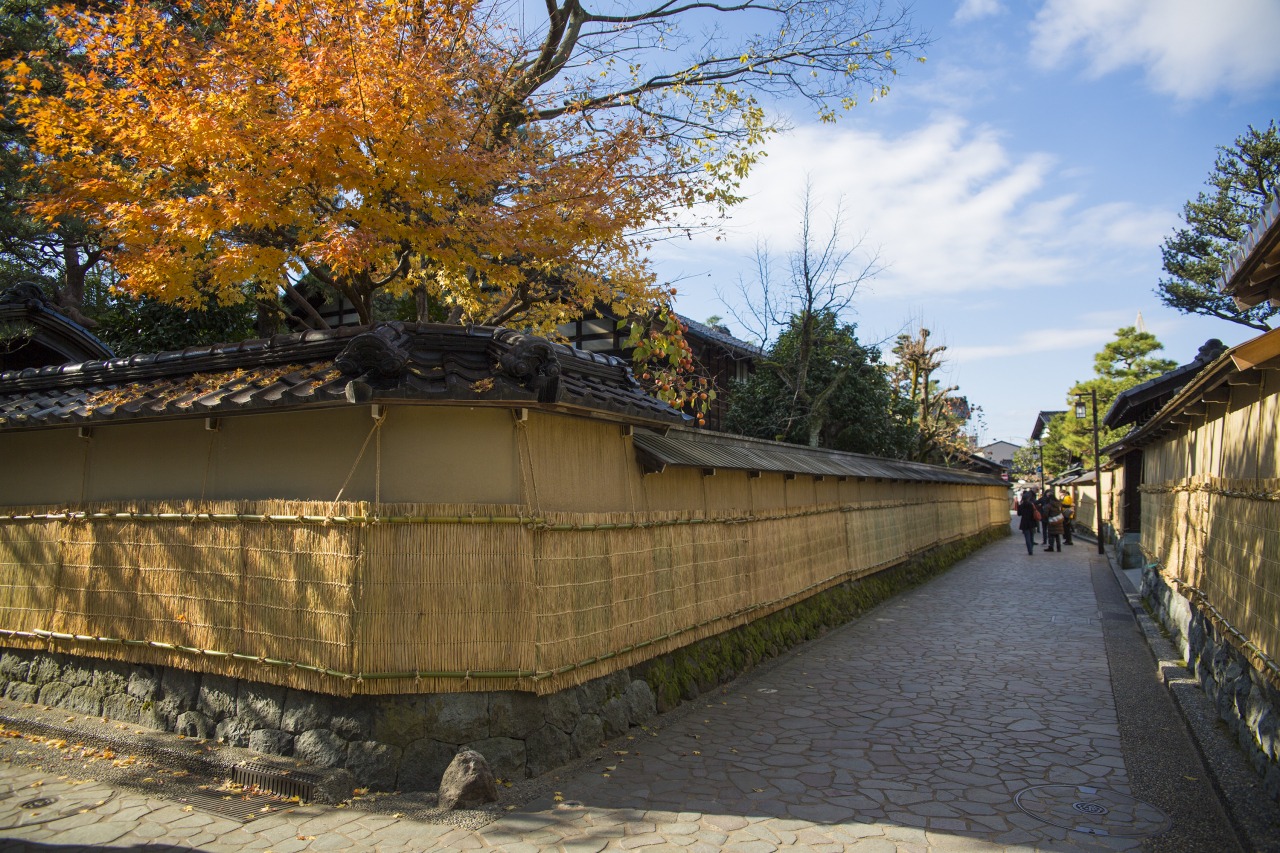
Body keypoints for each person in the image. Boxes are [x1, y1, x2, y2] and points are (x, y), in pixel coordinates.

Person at [1016, 490, 1039, 555]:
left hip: (1024, 522)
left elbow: (1019, 514)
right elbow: (1035, 512)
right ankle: (1031, 548)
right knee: (1032, 536)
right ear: (1028, 498)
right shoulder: (1031, 505)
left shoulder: (1021, 506)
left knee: (1027, 537)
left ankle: (1029, 550)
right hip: (1032, 521)